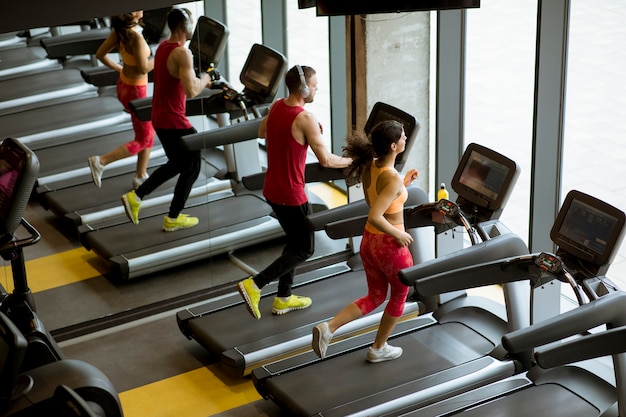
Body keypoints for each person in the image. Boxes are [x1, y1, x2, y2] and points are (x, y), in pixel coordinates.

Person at [237, 65, 352, 319]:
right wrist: (353, 162)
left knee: (293, 241)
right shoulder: (305, 118)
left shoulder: (278, 106)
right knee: (304, 249)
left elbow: (262, 131)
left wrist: (305, 131)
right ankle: (255, 284)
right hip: (291, 195)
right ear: (303, 88)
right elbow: (326, 161)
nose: (317, 88)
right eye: (314, 84)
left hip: (272, 190)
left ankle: (284, 297)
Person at [311, 120, 419, 363]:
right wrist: (398, 234)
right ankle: (379, 348)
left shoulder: (372, 165)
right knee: (400, 295)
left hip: (369, 242)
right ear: (393, 146)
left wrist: (404, 185)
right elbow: (376, 214)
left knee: (375, 296)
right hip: (390, 248)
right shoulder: (391, 178)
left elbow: (382, 196)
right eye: (402, 137)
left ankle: (329, 328)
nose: (405, 140)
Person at [121, 8, 220, 232]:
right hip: (173, 120)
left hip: (161, 118)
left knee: (179, 164)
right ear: (182, 27)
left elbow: (177, 76)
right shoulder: (183, 53)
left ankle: (137, 197)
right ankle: (171, 217)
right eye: (191, 23)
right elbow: (192, 89)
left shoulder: (164, 47)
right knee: (192, 166)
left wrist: (200, 77)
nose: (192, 27)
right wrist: (207, 77)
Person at [89, 11, 155, 189]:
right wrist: (160, 55)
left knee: (147, 133)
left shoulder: (121, 31)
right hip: (136, 91)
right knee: (144, 139)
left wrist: (120, 69)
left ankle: (140, 175)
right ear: (133, 13)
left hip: (123, 86)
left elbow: (100, 54)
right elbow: (143, 68)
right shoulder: (136, 38)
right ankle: (101, 161)